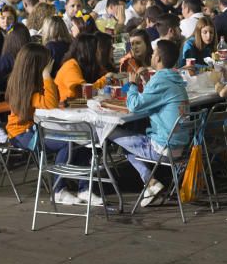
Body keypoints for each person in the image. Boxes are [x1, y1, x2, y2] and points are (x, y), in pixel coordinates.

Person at [109, 38, 190, 207]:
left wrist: (132, 84)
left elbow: (135, 105)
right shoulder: (175, 79)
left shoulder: (161, 80)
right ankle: (151, 183)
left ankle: (150, 181)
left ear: (158, 59)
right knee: (130, 140)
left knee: (110, 131)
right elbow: (155, 99)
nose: (152, 56)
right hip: (182, 147)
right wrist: (147, 81)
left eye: (153, 53)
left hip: (164, 148)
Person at [5, 43, 83, 205]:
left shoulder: (25, 82)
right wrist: (47, 75)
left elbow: (51, 99)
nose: (50, 65)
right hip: (22, 135)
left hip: (33, 130)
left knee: (77, 139)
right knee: (67, 143)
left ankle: (79, 186)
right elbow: (51, 102)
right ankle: (59, 189)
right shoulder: (25, 89)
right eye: (46, 63)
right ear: (37, 66)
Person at [54, 34, 110, 101]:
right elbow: (83, 93)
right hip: (65, 109)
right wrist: (106, 79)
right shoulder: (70, 66)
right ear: (89, 51)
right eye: (97, 50)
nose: (100, 53)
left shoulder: (85, 66)